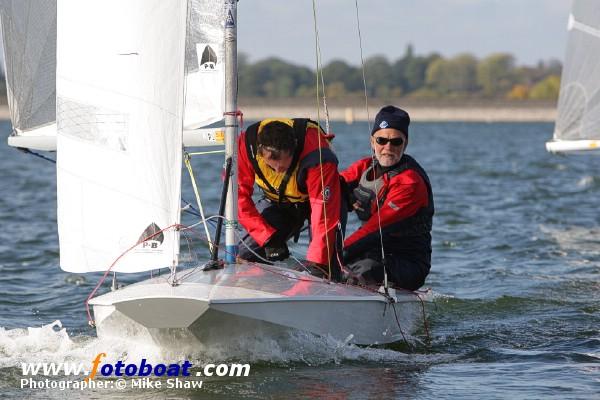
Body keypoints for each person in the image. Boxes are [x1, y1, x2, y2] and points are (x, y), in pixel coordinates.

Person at [237, 118, 344, 280]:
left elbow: (323, 217)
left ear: (294, 148)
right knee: (246, 255)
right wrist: (267, 238)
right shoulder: (246, 146)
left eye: (284, 165)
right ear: (260, 153)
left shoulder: (318, 155)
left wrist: (317, 264)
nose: (279, 170)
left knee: (324, 268)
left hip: (320, 203)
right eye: (272, 165)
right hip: (279, 203)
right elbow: (238, 198)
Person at [341, 106, 434, 290]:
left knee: (361, 270)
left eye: (396, 142)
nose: (388, 148)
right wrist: (346, 196)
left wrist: (336, 252)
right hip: (370, 252)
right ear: (372, 142)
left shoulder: (410, 183)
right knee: (323, 265)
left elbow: (375, 228)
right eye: (381, 140)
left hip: (407, 264)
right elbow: (329, 188)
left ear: (405, 144)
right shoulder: (364, 167)